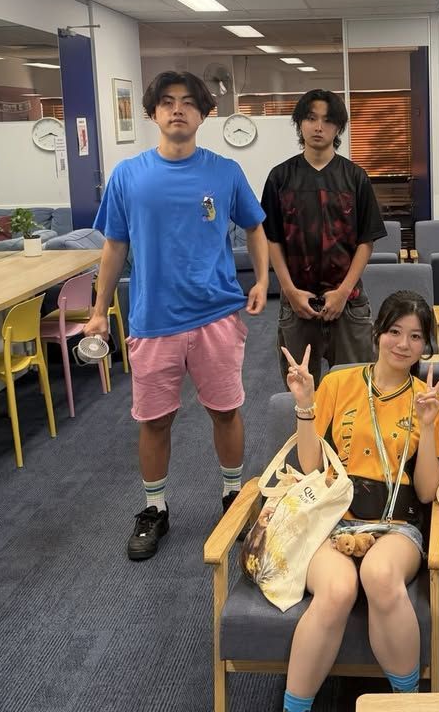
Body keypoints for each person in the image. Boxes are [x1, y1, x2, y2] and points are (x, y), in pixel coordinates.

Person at [83, 71, 268, 562]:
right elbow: (114, 246)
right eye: (167, 102)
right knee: (154, 420)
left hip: (215, 315)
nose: (177, 110)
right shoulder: (128, 175)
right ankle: (154, 508)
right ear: (153, 113)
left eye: (188, 102)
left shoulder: (225, 172)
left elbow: (255, 227)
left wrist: (262, 280)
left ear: (204, 114)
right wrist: (99, 311)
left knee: (225, 411)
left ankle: (233, 495)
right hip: (153, 319)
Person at [280, 291, 439, 712]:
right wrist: (305, 405)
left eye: (416, 336)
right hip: (333, 519)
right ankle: (295, 708)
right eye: (395, 331)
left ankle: (407, 704)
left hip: (396, 524)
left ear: (426, 345)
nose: (403, 344)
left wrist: (428, 426)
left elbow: (427, 492)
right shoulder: (339, 383)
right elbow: (310, 465)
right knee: (336, 589)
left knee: (379, 574)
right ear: (376, 333)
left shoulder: (429, 399)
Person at [262, 88, 386, 382]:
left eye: (328, 120)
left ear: (339, 127)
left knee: (355, 388)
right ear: (299, 123)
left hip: (348, 303)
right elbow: (272, 239)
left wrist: (343, 292)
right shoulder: (280, 177)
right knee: (302, 392)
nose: (318, 127)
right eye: (311, 118)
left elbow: (366, 241)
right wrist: (289, 291)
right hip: (297, 303)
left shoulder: (355, 177)